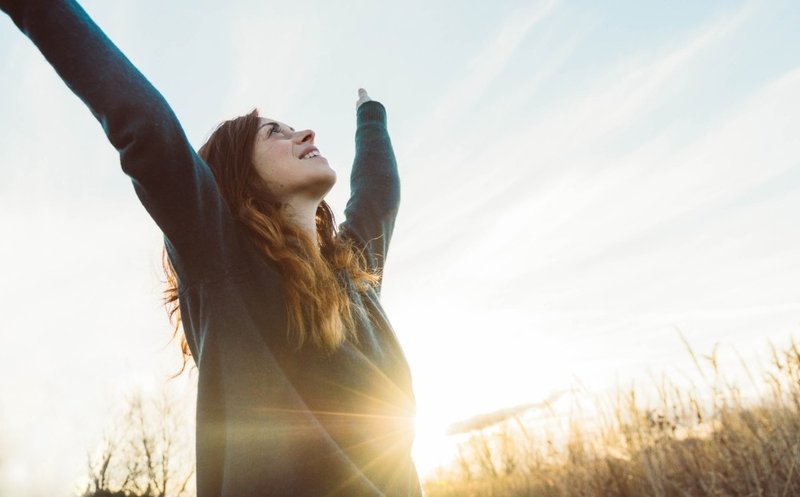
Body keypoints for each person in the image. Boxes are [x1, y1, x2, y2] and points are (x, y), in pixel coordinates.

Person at [0, 1, 423, 495]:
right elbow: (143, 122)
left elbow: (378, 195)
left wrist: (370, 118)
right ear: (242, 181)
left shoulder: (355, 277)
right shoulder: (225, 263)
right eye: (276, 134)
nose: (305, 132)